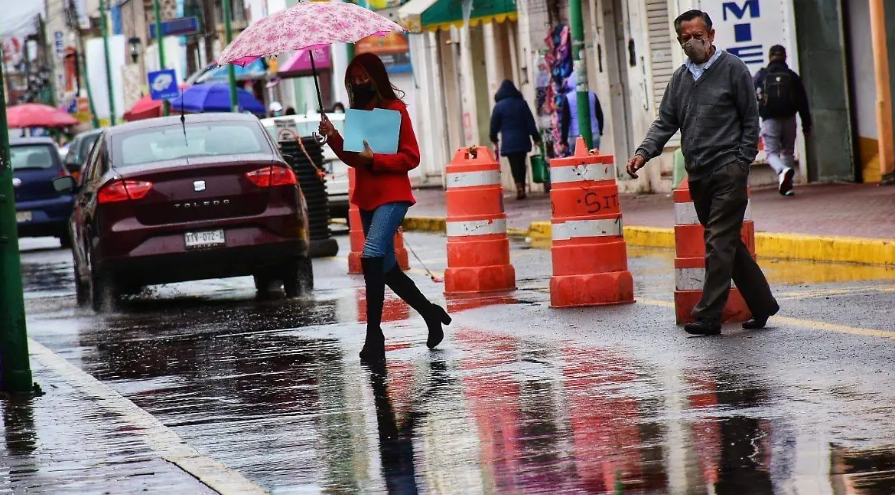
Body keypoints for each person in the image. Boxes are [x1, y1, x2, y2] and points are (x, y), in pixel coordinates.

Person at [626, 10, 779, 336]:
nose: (693, 42)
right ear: (679, 40)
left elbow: (751, 120)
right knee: (728, 246)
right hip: (699, 175)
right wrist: (643, 154)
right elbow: (665, 123)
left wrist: (742, 161)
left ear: (711, 33)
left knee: (717, 242)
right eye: (686, 38)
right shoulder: (680, 80)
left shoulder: (733, 69)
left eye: (698, 35)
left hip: (728, 170)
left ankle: (709, 316)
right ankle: (763, 304)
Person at [319, 53, 451, 361]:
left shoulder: (396, 110)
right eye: (353, 79)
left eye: (364, 77)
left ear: (376, 78)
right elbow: (354, 158)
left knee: (371, 257)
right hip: (367, 196)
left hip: (392, 195)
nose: (358, 82)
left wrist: (375, 159)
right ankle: (431, 315)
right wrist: (334, 137)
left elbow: (411, 157)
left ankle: (374, 337)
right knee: (387, 268)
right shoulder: (357, 113)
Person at [754, 45, 812, 196]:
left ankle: (782, 170)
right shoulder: (792, 76)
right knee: (787, 151)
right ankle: (787, 186)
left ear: (769, 57)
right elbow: (802, 102)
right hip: (789, 119)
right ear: (785, 57)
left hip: (769, 119)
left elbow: (752, 99)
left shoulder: (761, 75)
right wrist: (807, 126)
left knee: (771, 153)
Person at [489, 79, 541, 200]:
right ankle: (522, 184)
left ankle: (519, 186)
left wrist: (493, 137)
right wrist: (536, 137)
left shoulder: (499, 106)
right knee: (522, 163)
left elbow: (494, 124)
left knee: (514, 164)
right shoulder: (521, 103)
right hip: (522, 138)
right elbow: (530, 122)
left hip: (508, 140)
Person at [561, 75, 604, 155]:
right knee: (594, 160)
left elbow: (565, 121)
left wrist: (564, 140)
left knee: (579, 164)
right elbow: (599, 115)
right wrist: (600, 130)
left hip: (575, 136)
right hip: (594, 133)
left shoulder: (568, 98)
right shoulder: (592, 95)